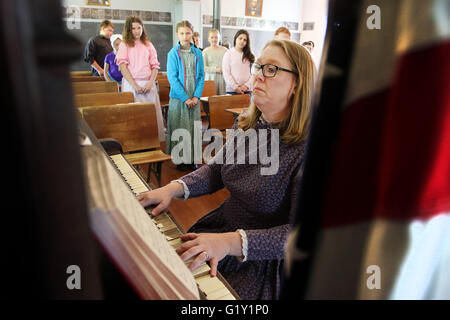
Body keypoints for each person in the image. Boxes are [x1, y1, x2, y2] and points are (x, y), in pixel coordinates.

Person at [137, 39, 316, 300]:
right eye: (259, 67)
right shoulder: (248, 124)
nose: (259, 76)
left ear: (297, 84)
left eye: (272, 69)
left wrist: (228, 243)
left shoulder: (308, 149)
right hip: (219, 231)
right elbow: (217, 170)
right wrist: (171, 189)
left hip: (260, 262)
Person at [116, 16, 165, 141]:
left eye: (139, 28)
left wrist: (150, 83)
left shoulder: (148, 45)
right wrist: (135, 85)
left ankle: (152, 142)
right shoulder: (124, 45)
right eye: (133, 28)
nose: (137, 31)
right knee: (134, 117)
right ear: (128, 30)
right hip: (131, 85)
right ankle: (135, 143)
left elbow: (155, 66)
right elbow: (122, 66)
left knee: (151, 117)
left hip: (148, 84)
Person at [166, 20, 205, 171]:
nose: (185, 36)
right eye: (182, 33)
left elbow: (201, 76)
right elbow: (172, 78)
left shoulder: (198, 53)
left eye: (188, 33)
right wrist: (185, 98)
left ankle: (192, 158)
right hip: (179, 98)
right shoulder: (172, 54)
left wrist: (196, 96)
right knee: (180, 126)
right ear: (177, 34)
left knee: (193, 127)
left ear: (192, 34)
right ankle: (180, 159)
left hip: (194, 98)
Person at [222, 29, 255, 95]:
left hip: (247, 90)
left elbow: (255, 73)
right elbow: (226, 73)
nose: (242, 41)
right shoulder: (228, 54)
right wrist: (235, 87)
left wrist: (246, 86)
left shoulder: (250, 55)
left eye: (245, 40)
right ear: (235, 39)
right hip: (232, 91)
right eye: (240, 38)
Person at [202, 29, 228, 95]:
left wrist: (224, 69)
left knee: (222, 100)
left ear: (219, 38)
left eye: (216, 37)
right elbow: (203, 67)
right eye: (212, 37)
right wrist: (216, 69)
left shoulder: (225, 50)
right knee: (211, 99)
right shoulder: (205, 51)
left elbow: (229, 65)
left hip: (222, 79)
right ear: (208, 39)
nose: (214, 39)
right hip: (210, 79)